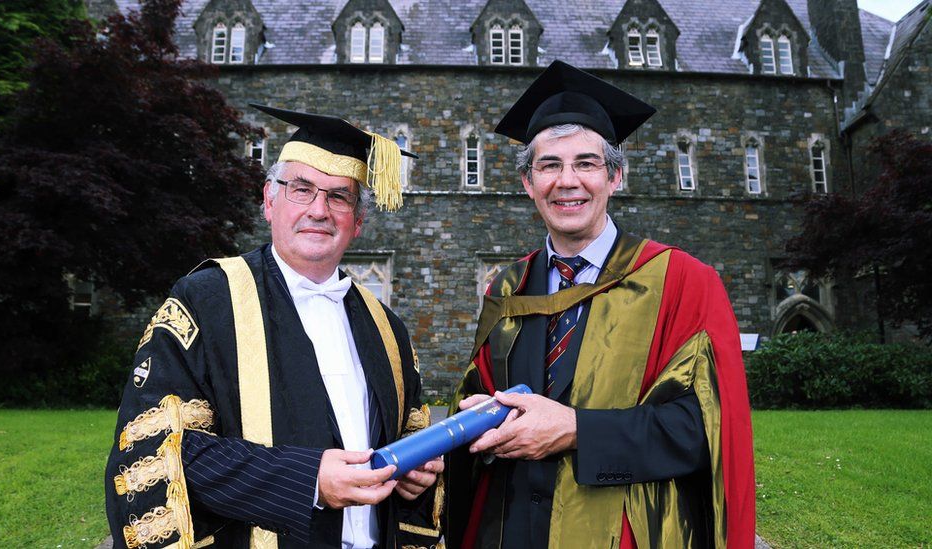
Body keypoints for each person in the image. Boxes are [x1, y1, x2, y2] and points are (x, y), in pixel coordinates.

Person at [444, 61, 755, 548]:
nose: (568, 181)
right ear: (529, 183)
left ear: (615, 177)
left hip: (630, 533)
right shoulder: (506, 288)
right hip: (508, 530)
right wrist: (478, 420)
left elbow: (707, 428)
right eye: (550, 165)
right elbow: (479, 398)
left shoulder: (684, 283)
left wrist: (577, 430)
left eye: (586, 163)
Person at [105, 105, 444, 549]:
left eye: (339, 196)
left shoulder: (388, 328)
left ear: (357, 222)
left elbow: (410, 438)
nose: (319, 210)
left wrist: (416, 474)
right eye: (301, 189)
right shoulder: (205, 302)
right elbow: (159, 450)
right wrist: (308, 482)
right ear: (269, 201)